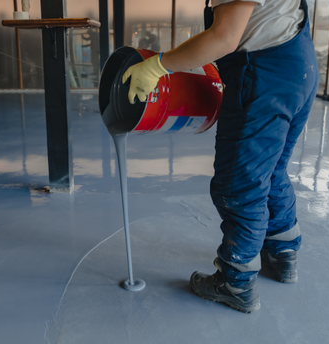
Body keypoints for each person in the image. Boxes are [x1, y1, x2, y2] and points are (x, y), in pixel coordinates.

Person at [122, 0, 318, 313]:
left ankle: (235, 283)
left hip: (263, 76)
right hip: (299, 65)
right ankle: (283, 254)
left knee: (240, 184)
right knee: (271, 170)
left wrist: (159, 65)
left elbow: (224, 37)